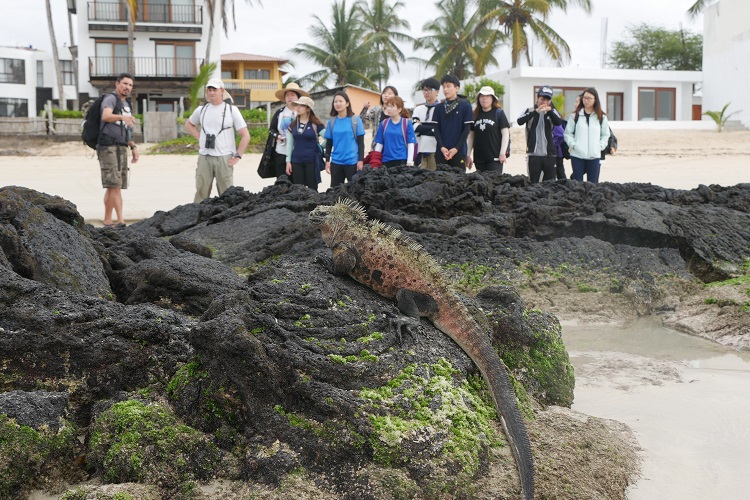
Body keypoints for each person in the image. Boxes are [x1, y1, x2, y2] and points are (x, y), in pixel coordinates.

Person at [185, 79, 250, 202]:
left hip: (224, 158)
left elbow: (245, 135)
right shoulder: (201, 110)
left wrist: (238, 156)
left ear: (222, 91)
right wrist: (199, 136)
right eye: (209, 90)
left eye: (214, 89)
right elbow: (189, 124)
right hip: (204, 157)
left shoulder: (231, 110)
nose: (211, 93)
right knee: (201, 193)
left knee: (227, 195)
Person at [98, 72, 139, 227]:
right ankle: (121, 221)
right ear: (117, 84)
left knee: (112, 185)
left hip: (121, 147)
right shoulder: (111, 98)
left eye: (130, 85)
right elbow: (106, 116)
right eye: (125, 84)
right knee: (115, 185)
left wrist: (133, 146)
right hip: (108, 147)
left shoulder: (127, 104)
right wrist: (122, 117)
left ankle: (108, 220)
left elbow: (126, 128)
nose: (127, 87)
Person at [517, 85, 564, 183]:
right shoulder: (529, 110)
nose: (545, 102)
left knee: (550, 184)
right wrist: (535, 112)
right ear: (537, 98)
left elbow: (559, 122)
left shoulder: (553, 111)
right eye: (542, 99)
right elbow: (519, 121)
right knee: (533, 183)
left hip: (549, 155)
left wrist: (550, 112)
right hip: (533, 154)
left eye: (547, 100)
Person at [564, 87, 610, 184]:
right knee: (577, 185)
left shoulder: (602, 117)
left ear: (595, 99)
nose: (586, 100)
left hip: (594, 156)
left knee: (593, 185)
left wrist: (600, 146)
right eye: (584, 98)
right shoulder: (574, 116)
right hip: (577, 156)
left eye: (589, 98)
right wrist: (574, 145)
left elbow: (605, 135)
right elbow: (568, 134)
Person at [324, 91, 366, 187]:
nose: (338, 104)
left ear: (347, 103)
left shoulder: (355, 120)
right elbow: (329, 143)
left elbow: (361, 143)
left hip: (352, 162)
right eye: (335, 101)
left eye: (340, 101)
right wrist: (327, 161)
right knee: (335, 192)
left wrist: (360, 160)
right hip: (336, 162)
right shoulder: (331, 121)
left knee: (355, 191)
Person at [285, 96, 326, 190]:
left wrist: (320, 147)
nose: (298, 107)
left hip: (311, 161)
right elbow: (290, 144)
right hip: (296, 161)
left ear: (308, 109)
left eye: (302, 105)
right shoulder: (293, 124)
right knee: (298, 190)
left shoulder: (315, 124)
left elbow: (328, 138)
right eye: (297, 105)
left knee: (312, 189)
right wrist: (288, 161)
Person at [269, 82, 309, 177]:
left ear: (298, 97)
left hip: (298, 154)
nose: (290, 97)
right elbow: (271, 130)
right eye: (287, 95)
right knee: (282, 182)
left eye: (293, 95)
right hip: (281, 153)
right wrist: (277, 136)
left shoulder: (304, 113)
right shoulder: (280, 113)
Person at [433, 74, 474, 169]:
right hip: (441, 152)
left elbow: (466, 130)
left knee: (459, 181)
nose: (445, 90)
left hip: (459, 152)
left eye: (448, 86)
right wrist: (442, 147)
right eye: (443, 87)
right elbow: (436, 129)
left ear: (457, 88)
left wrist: (456, 149)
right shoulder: (438, 108)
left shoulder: (465, 106)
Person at [467, 86, 510, 173]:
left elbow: (505, 134)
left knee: (494, 184)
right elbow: (471, 136)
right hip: (479, 159)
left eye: (487, 96)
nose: (484, 99)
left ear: (492, 99)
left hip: (495, 158)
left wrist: (502, 153)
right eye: (482, 96)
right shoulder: (475, 114)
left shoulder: (499, 113)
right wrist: (468, 155)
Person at [373, 95, 416, 168]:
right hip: (386, 160)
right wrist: (375, 160)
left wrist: (409, 161)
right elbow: (379, 144)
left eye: (392, 107)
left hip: (402, 160)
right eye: (388, 106)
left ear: (399, 109)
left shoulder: (406, 123)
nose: (389, 109)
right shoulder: (384, 123)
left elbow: (411, 144)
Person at [411, 77, 441, 171]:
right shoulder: (418, 109)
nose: (426, 92)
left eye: (430, 90)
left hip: (436, 150)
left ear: (437, 91)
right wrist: (432, 128)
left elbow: (441, 130)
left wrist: (422, 127)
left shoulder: (441, 109)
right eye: (424, 90)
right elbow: (415, 128)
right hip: (420, 149)